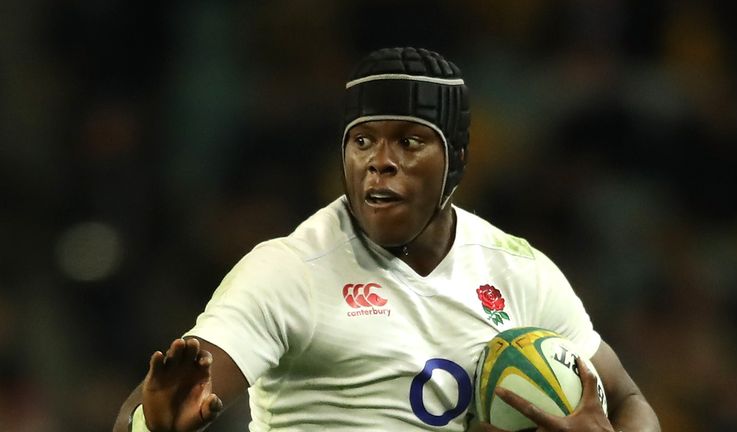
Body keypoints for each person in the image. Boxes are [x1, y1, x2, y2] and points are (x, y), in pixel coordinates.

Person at [114, 47, 660, 432]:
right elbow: (146, 412)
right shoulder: (288, 272)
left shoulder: (519, 273)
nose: (380, 162)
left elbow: (629, 401)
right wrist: (151, 428)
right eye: (363, 141)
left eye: (410, 141)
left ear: (457, 161)